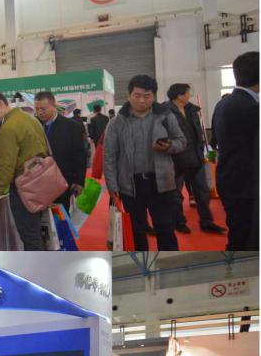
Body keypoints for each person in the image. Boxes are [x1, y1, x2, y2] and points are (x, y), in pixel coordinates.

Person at [103, 75, 186, 250]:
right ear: (129, 95)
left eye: (147, 96)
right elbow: (109, 156)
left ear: (154, 96)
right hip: (130, 185)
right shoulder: (116, 122)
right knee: (136, 230)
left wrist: (169, 146)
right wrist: (112, 187)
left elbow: (182, 141)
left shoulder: (165, 116)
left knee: (165, 228)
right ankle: (141, 261)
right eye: (137, 95)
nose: (141, 100)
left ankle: (169, 260)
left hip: (161, 183)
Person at [0, 89, 50, 251]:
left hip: (23, 189)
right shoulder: (29, 119)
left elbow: (6, 170)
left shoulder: (8, 128)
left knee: (30, 238)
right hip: (40, 184)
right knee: (35, 234)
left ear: (0, 103)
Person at [212, 51, 259, 250]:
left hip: (230, 180)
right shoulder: (251, 108)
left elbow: (215, 141)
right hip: (246, 186)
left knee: (238, 234)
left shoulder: (223, 103)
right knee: (246, 240)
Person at [165, 83, 225, 235]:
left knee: (203, 190)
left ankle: (207, 222)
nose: (189, 95)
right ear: (179, 95)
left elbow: (198, 132)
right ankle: (179, 222)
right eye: (187, 93)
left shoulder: (192, 109)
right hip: (176, 159)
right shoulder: (165, 111)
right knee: (176, 194)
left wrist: (202, 150)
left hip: (196, 157)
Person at [33, 92, 87, 212]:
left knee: (61, 216)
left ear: (54, 106)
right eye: (37, 109)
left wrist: (79, 181)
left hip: (62, 180)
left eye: (43, 109)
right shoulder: (32, 125)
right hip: (38, 181)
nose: (40, 112)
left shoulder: (71, 126)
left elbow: (79, 155)